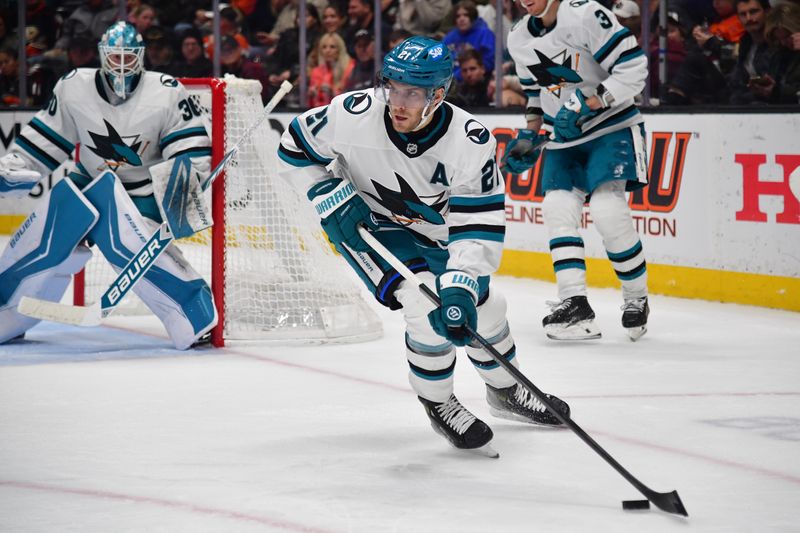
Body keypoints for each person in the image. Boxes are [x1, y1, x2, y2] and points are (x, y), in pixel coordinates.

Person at [276, 36, 571, 455]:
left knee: (487, 308)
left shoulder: (470, 140)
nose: (397, 101)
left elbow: (477, 222)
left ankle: (506, 391)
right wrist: (322, 190)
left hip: (440, 234)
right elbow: (292, 148)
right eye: (392, 87)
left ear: (438, 93)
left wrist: (463, 282)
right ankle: (438, 401)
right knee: (423, 304)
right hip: (369, 224)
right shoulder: (350, 114)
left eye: (412, 92)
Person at [0, 21, 216, 349]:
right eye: (115, 57)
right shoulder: (74, 86)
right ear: (102, 56)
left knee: (129, 244)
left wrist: (178, 195)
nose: (122, 65)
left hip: (141, 194)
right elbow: (44, 139)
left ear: (141, 57)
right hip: (87, 184)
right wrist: (14, 168)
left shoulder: (167, 90)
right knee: (38, 238)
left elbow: (191, 151)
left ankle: (191, 311)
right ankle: (8, 314)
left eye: (129, 57)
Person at [503, 0, 650, 341]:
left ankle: (636, 298)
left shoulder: (585, 14)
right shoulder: (519, 37)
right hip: (563, 138)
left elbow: (633, 67)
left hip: (611, 128)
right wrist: (529, 133)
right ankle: (575, 304)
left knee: (607, 209)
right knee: (557, 209)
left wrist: (592, 100)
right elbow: (535, 93)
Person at [728, 0, 777, 104]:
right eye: (743, 14)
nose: (749, 18)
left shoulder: (778, 41)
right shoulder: (745, 42)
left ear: (767, 12)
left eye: (754, 12)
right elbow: (737, 81)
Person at [443, 0, 496, 81]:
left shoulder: (485, 34)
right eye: (458, 16)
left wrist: (459, 75)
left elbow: (488, 63)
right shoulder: (449, 37)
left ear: (473, 17)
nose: (461, 19)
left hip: (478, 81)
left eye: (466, 15)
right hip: (449, 82)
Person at [307, 32, 354, 107]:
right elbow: (311, 104)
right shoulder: (317, 71)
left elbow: (352, 98)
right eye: (324, 47)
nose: (327, 50)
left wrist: (333, 93)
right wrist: (311, 95)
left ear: (339, 49)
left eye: (332, 47)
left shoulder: (350, 68)